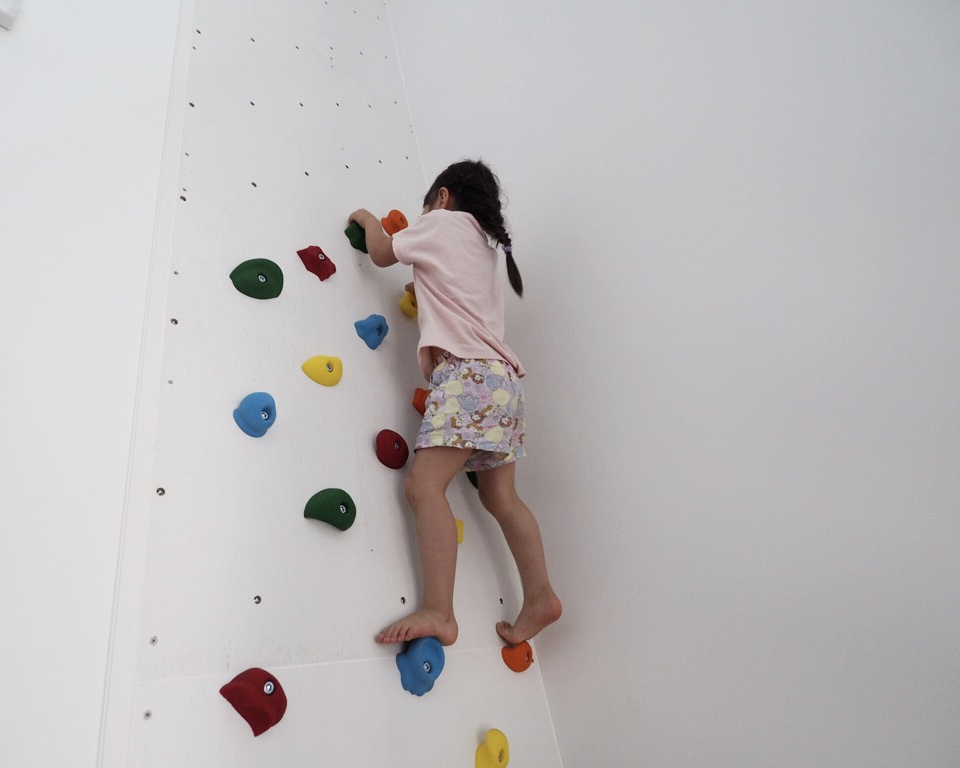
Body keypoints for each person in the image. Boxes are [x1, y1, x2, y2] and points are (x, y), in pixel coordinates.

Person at [348, 159, 561, 648]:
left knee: (423, 486)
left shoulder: (441, 223)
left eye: (426, 209)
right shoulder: (483, 247)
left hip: (467, 377)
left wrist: (367, 219)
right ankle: (540, 595)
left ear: (442, 197)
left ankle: (440, 611)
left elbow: (381, 253)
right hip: (503, 382)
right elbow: (454, 295)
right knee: (500, 498)